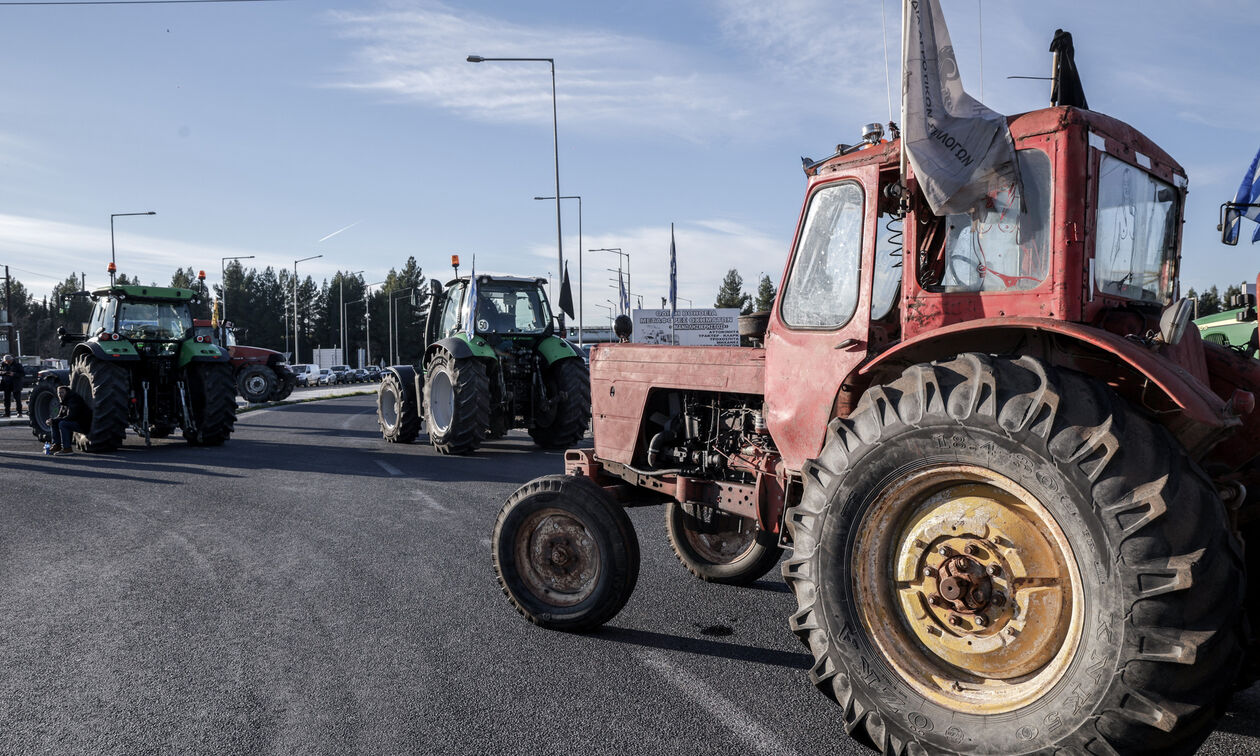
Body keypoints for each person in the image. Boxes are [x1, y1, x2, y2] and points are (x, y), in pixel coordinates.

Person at [49, 384, 89, 455]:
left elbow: (71, 417)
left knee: (63, 424)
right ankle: (57, 445)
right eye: (59, 393)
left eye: (62, 392)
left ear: (67, 392)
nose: (60, 394)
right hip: (75, 423)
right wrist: (52, 420)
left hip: (83, 424)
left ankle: (67, 449)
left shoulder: (74, 399)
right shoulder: (64, 402)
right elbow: (60, 416)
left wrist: (56, 420)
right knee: (54, 422)